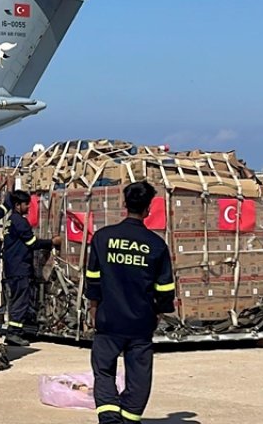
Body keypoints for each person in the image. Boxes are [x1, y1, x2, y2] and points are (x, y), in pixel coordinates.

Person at [84, 181, 176, 424]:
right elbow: (165, 287)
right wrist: (159, 313)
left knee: (103, 370)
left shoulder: (103, 238)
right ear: (148, 209)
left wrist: (93, 308)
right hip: (141, 321)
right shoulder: (156, 245)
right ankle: (130, 418)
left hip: (108, 318)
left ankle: (110, 419)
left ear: (124, 205)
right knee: (139, 376)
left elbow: (92, 278)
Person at [0, 188, 59, 346]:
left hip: (13, 268)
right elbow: (33, 243)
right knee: (20, 301)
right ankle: (13, 333)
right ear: (17, 205)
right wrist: (51, 243)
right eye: (26, 205)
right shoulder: (20, 222)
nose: (28, 207)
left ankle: (16, 331)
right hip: (19, 268)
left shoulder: (10, 222)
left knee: (17, 300)